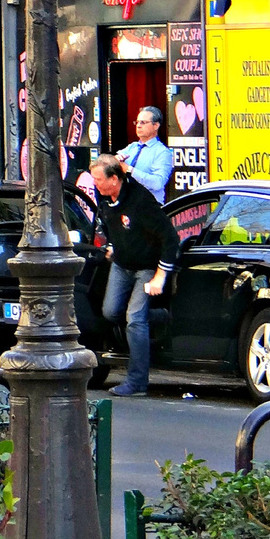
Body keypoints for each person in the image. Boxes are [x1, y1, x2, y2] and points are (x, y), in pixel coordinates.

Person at [88, 153, 179, 397]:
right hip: (122, 264)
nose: (95, 184)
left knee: (135, 319)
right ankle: (157, 316)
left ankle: (137, 381)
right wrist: (112, 245)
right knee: (111, 312)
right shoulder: (104, 196)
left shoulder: (141, 202)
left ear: (115, 179)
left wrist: (160, 276)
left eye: (98, 179)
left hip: (146, 267)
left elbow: (170, 239)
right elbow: (111, 224)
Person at [118, 106, 174, 203]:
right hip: (127, 204)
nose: (138, 126)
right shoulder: (132, 147)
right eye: (137, 122)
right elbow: (112, 162)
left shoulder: (162, 152)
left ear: (156, 125)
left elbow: (158, 183)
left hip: (149, 207)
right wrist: (115, 160)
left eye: (143, 122)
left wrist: (130, 170)